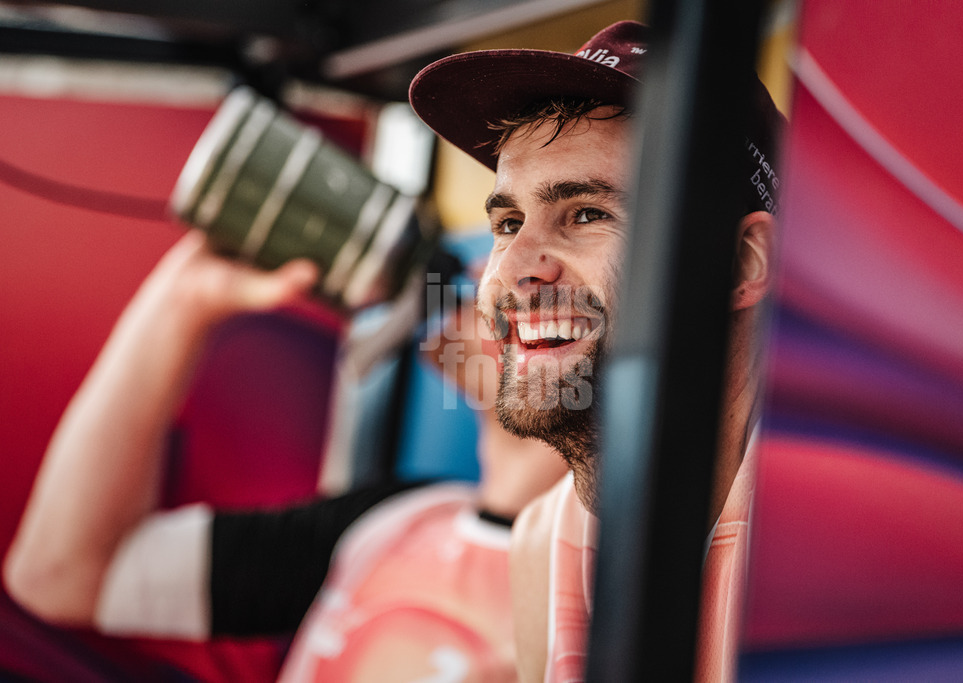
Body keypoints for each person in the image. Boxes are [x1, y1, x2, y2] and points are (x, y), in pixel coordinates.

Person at [3, 227, 567, 682]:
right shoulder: (398, 519)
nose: (490, 270)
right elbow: (63, 575)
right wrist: (183, 298)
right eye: (506, 228)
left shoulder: (594, 599)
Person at [406, 19, 784, 682]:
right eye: (508, 223)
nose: (510, 271)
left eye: (586, 213)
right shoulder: (544, 543)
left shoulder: (852, 549)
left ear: (745, 262)